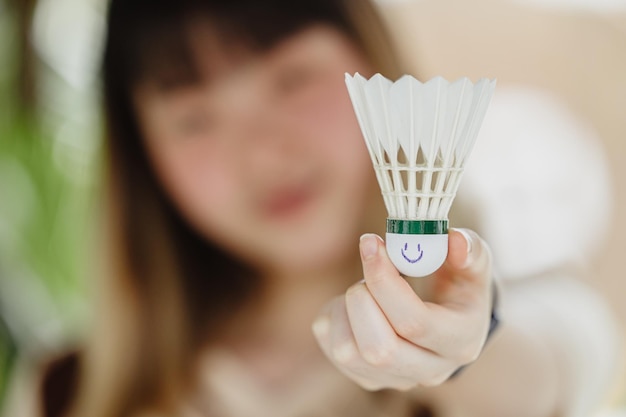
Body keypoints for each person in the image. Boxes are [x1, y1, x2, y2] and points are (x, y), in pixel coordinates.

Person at [35, 0, 619, 416]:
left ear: (376, 71)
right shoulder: (61, 393)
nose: (263, 153)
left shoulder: (540, 305)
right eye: (194, 120)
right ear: (144, 161)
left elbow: (547, 367)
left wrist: (462, 346)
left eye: (293, 79)